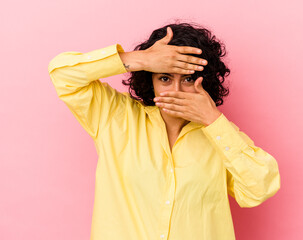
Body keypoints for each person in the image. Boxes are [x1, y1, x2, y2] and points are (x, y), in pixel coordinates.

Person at [48, 22, 280, 240]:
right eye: (165, 78)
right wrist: (141, 59)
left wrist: (212, 119)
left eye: (188, 79)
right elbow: (62, 75)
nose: (176, 90)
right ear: (151, 80)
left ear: (204, 81)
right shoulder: (115, 117)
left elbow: (258, 188)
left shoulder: (220, 135)